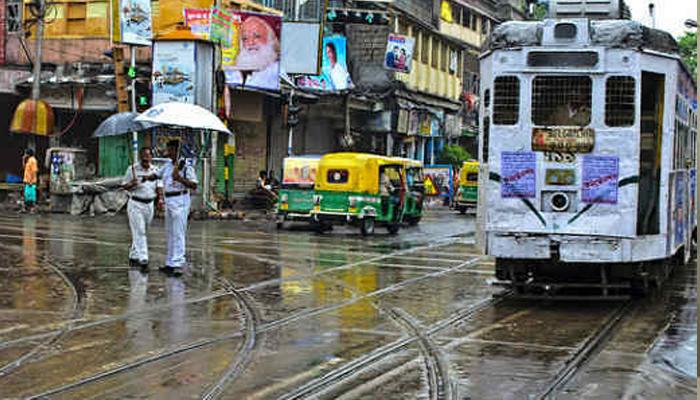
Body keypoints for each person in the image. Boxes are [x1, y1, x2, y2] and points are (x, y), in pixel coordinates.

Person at [147, 140, 198, 276]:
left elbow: (194, 185)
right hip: (169, 200)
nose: (167, 152)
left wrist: (180, 179)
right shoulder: (168, 165)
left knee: (178, 232)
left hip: (180, 199)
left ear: (177, 150)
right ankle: (170, 263)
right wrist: (145, 176)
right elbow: (156, 175)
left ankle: (178, 263)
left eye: (170, 150)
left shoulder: (185, 166)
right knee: (169, 232)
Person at [122, 147, 163, 270]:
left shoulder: (155, 170)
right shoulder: (132, 169)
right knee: (140, 231)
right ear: (140, 157)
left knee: (143, 229)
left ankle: (134, 255)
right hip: (136, 204)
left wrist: (160, 199)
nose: (146, 160)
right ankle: (144, 258)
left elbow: (159, 186)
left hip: (149, 204)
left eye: (148, 157)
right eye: (143, 158)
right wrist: (132, 184)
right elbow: (124, 186)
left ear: (151, 158)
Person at [228, 16, 280, 90]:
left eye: (257, 36)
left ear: (270, 40)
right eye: (245, 39)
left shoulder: (277, 71)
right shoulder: (233, 73)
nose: (250, 42)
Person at [22, 148, 38, 214]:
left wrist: (31, 181)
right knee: (26, 196)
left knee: (31, 196)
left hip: (31, 182)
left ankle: (33, 209)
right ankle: (25, 209)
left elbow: (34, 171)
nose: (25, 154)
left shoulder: (33, 160)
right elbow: (24, 168)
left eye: (26, 153)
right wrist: (23, 159)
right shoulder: (28, 160)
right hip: (27, 181)